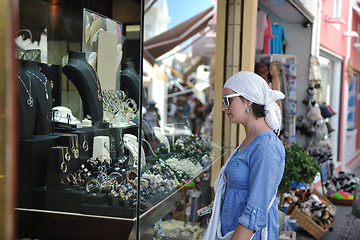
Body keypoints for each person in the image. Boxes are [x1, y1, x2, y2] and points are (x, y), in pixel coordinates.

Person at [203, 71, 286, 240]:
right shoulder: (251, 139)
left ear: (247, 100)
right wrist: (216, 205)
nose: (223, 107)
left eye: (228, 100)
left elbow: (254, 213)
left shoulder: (266, 147)